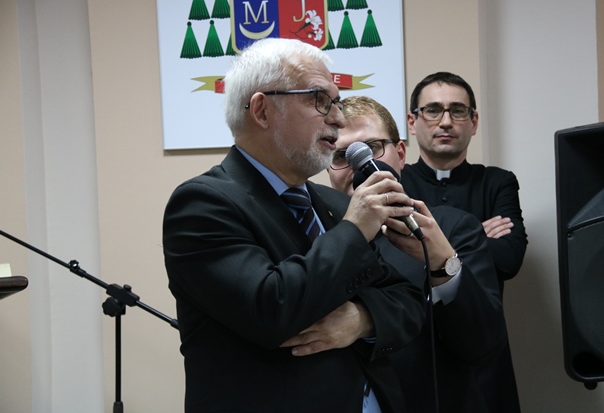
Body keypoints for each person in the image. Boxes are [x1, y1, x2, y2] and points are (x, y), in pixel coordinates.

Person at [162, 38, 425, 413]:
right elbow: (271, 308)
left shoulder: (335, 204)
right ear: (262, 110)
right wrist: (353, 230)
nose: (338, 118)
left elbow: (406, 300)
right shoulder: (202, 205)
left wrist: (363, 319)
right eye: (319, 100)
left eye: (336, 101)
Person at [327, 96, 508, 412]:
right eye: (342, 155)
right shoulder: (317, 238)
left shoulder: (452, 228)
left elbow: (483, 346)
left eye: (372, 148)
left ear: (400, 155)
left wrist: (442, 261)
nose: (358, 165)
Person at [402, 72, 528, 412]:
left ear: (473, 121)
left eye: (458, 111)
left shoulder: (497, 182)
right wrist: (476, 237)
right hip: (411, 354)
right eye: (433, 110)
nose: (446, 122)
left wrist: (428, 246)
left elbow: (509, 259)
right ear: (412, 122)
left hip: (483, 352)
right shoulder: (396, 182)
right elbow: (389, 260)